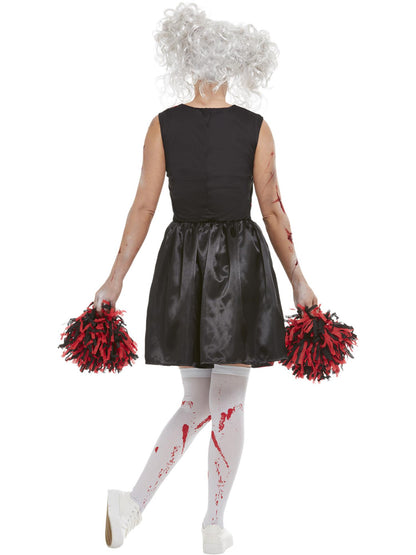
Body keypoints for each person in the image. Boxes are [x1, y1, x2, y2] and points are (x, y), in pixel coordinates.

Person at [95, 3, 318, 553]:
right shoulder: (256, 128)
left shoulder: (162, 125)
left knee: (198, 400)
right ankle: (213, 525)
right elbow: (274, 210)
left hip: (183, 268)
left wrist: (115, 279)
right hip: (237, 267)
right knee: (229, 399)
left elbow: (144, 207)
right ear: (236, 63)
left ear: (185, 58)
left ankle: (134, 504)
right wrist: (298, 279)